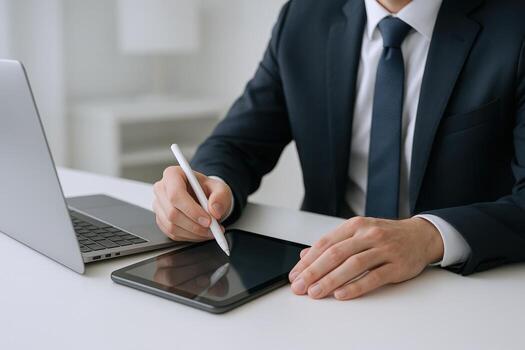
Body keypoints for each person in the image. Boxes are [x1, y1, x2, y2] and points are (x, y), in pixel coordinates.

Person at [153, 0, 525, 300]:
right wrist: (208, 189)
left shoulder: (514, 24)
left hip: (464, 287)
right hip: (319, 277)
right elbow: (238, 142)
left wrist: (428, 237)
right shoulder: (304, 15)